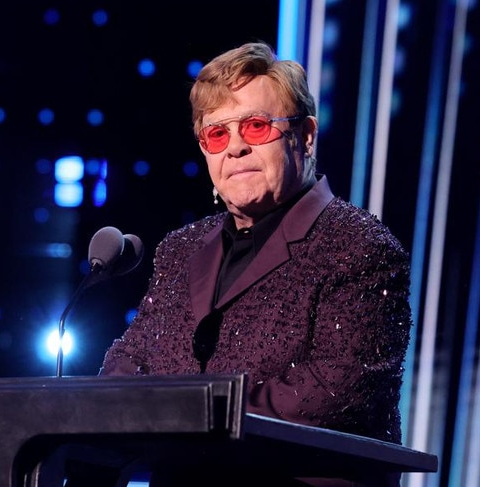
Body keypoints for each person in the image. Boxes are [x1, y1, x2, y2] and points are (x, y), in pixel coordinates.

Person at [98, 41, 412, 487]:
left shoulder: (360, 247)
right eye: (218, 134)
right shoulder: (180, 250)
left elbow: (336, 392)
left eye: (257, 126)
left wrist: (190, 413)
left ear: (304, 136)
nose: (236, 148)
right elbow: (127, 365)